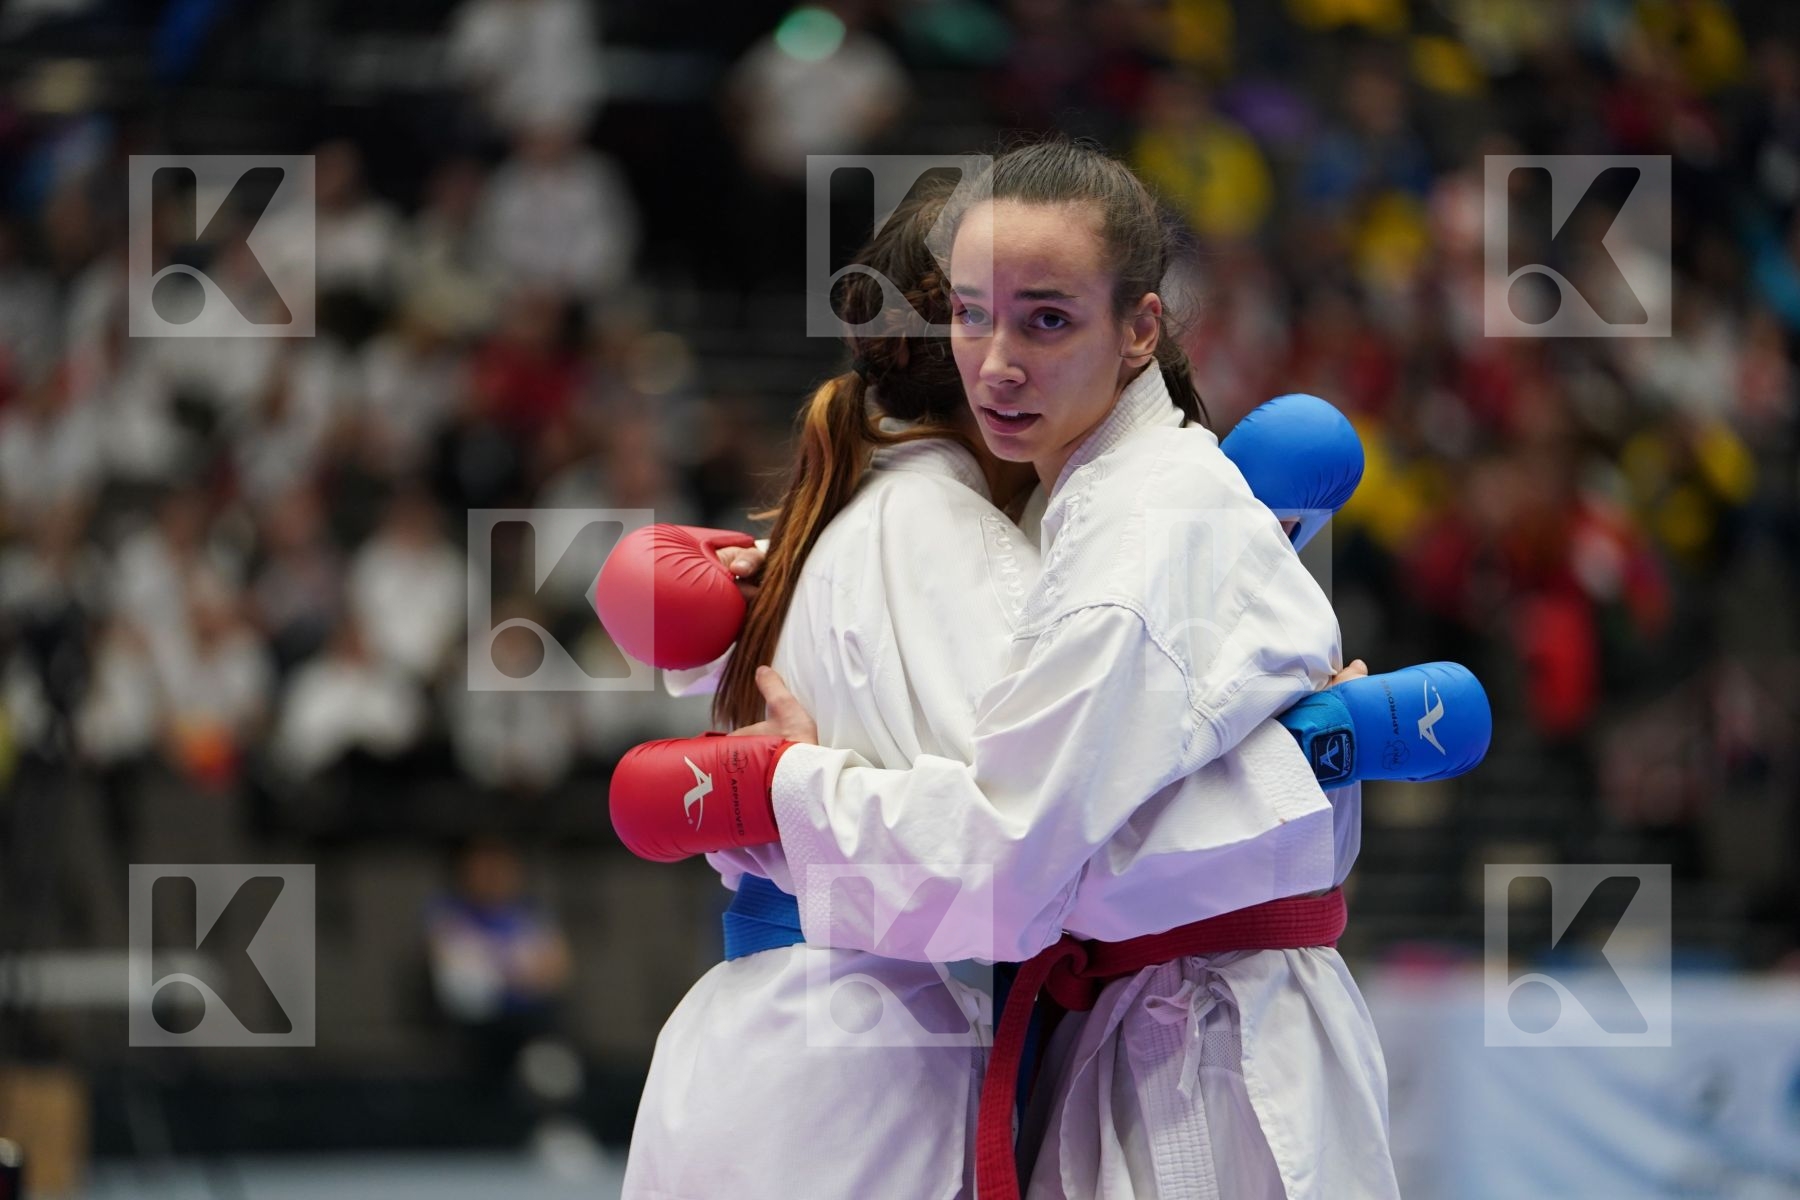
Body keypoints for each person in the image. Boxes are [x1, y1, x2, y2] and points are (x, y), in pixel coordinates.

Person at [609, 142, 1491, 1197]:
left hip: (1146, 1038)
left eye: (1045, 318)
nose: (999, 359)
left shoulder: (1075, 536)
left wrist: (782, 797)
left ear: (1138, 330)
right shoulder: (981, 537)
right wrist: (1315, 758)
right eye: (974, 314)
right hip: (900, 1049)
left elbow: (1018, 860)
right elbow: (1022, 864)